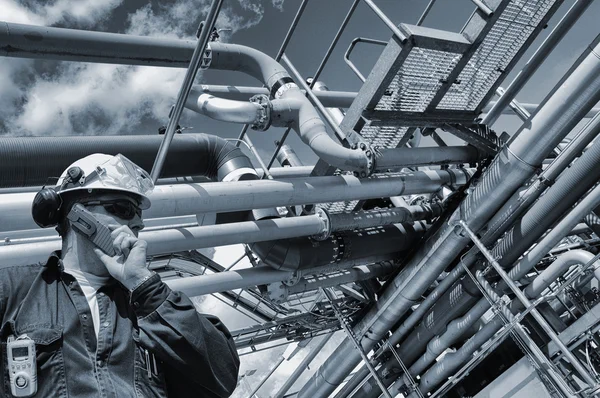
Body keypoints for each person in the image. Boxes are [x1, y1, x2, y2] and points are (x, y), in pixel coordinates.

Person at [0, 153, 240, 397]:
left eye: (138, 214)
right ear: (78, 214)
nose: (138, 223)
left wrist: (144, 286)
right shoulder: (12, 290)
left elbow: (223, 377)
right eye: (123, 208)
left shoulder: (149, 305)